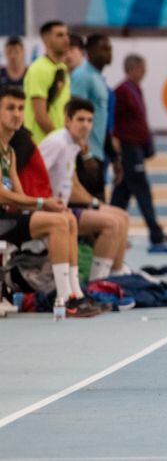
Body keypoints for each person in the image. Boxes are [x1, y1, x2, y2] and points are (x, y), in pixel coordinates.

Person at [0, 86, 100, 318]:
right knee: (56, 222)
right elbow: (3, 195)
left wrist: (49, 204)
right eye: (10, 108)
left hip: (8, 218)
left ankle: (76, 293)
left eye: (21, 108)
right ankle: (63, 299)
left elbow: (21, 196)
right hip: (2, 220)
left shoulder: (10, 153)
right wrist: (43, 204)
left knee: (66, 218)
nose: (17, 114)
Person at [39, 97, 132, 282]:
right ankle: (98, 282)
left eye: (89, 120)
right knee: (112, 224)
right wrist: (44, 204)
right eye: (80, 120)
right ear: (67, 121)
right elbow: (34, 175)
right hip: (51, 209)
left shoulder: (73, 144)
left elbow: (72, 185)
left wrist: (95, 203)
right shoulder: (57, 143)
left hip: (66, 206)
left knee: (123, 216)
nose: (86, 125)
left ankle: (116, 272)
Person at [110, 54, 167, 253]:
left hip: (136, 148)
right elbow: (111, 119)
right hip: (128, 149)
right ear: (132, 69)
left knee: (121, 193)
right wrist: (116, 145)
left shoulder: (134, 89)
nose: (145, 72)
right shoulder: (122, 91)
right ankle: (156, 234)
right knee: (142, 190)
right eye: (142, 68)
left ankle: (110, 229)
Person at [70, 34, 115, 200]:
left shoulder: (97, 77)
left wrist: (114, 155)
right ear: (88, 51)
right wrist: (86, 153)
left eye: (109, 49)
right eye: (103, 49)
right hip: (85, 155)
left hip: (97, 152)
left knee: (98, 204)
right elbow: (74, 116)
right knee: (91, 208)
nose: (108, 53)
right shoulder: (83, 76)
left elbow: (101, 120)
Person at [23, 21, 71, 144]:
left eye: (66, 34)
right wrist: (60, 141)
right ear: (46, 40)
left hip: (58, 141)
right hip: (41, 144)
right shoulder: (38, 69)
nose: (66, 39)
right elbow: (40, 115)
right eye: (60, 35)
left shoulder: (62, 68)